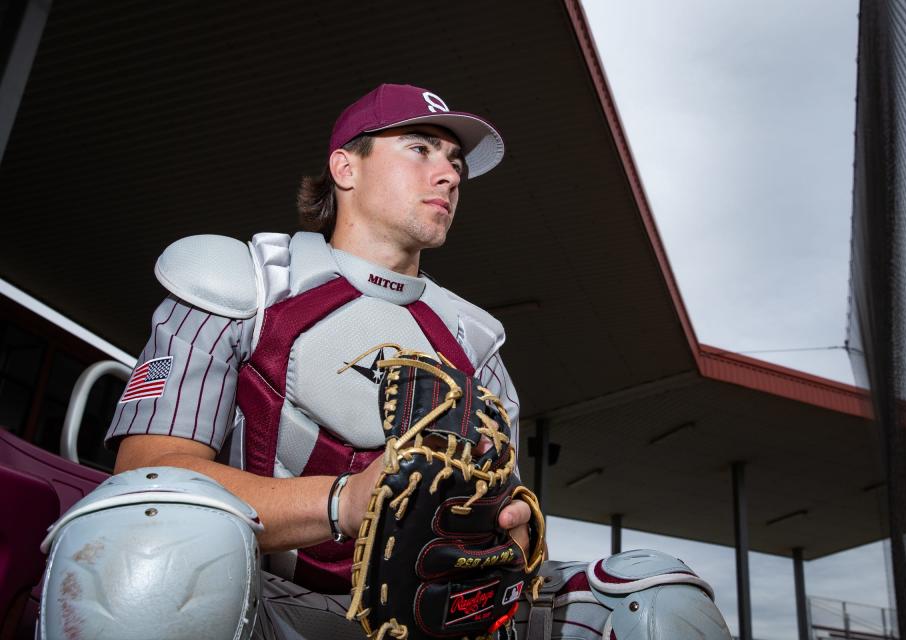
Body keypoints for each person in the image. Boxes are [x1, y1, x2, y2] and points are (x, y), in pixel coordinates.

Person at [38, 84, 732, 640]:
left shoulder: (475, 340)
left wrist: (506, 534)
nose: (449, 173)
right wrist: (348, 501)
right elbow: (150, 475)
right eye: (421, 148)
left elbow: (498, 512)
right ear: (346, 166)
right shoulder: (240, 280)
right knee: (152, 538)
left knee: (655, 596)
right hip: (261, 603)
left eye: (455, 162)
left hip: (427, 618)